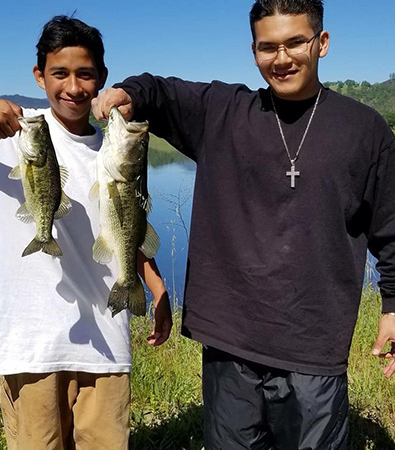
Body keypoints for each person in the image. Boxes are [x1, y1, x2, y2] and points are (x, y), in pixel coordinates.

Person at [92, 0, 395, 448]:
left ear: (322, 43)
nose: (282, 58)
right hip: (229, 340)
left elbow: (390, 225)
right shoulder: (222, 111)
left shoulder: (364, 129)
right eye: (267, 47)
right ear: (253, 50)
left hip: (314, 343)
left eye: (295, 42)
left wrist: (392, 303)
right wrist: (126, 94)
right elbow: (158, 89)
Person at [0, 15, 172, 450]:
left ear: (101, 78)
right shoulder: (12, 132)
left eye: (85, 74)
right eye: (59, 74)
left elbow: (126, 220)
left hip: (107, 344)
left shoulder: (113, 148)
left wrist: (155, 281)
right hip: (32, 344)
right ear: (39, 76)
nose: (73, 87)